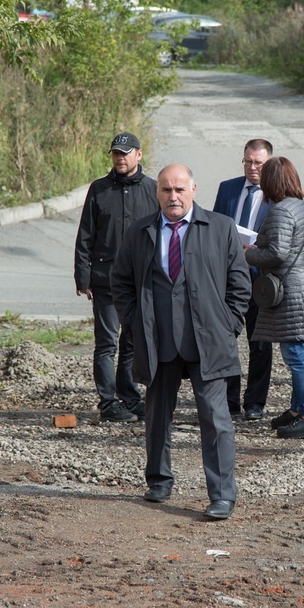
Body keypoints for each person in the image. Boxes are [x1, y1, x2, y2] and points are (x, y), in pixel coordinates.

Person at [110, 164, 250, 521]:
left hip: (208, 342)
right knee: (157, 415)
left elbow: (240, 285)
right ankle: (158, 480)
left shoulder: (219, 228)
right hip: (158, 340)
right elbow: (121, 280)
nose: (173, 197)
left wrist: (227, 325)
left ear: (193, 190)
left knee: (216, 419)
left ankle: (221, 495)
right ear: (157, 192)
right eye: (166, 190)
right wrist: (134, 322)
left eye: (179, 190)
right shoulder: (140, 231)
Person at [244, 157, 304, 439]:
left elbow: (277, 253)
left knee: (296, 355)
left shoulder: (281, 210)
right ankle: (297, 409)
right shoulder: (301, 207)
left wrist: (249, 252)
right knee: (299, 350)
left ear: (272, 182)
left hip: (291, 292)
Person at [74, 132, 157, 423]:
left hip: (139, 282)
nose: (120, 158)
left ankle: (130, 398)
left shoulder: (152, 190)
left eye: (125, 152)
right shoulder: (98, 189)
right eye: (115, 153)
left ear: (139, 154)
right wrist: (82, 277)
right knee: (107, 343)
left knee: (133, 342)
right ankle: (108, 402)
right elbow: (85, 235)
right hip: (105, 280)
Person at [213, 139, 275, 422]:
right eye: (248, 161)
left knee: (260, 343)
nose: (252, 168)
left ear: (269, 163)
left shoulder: (277, 193)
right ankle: (228, 399)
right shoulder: (228, 188)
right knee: (225, 339)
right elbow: (214, 229)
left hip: (261, 280)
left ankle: (255, 402)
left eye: (258, 163)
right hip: (229, 278)